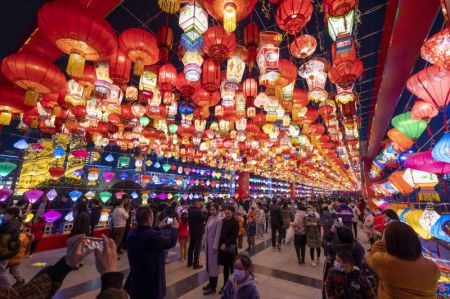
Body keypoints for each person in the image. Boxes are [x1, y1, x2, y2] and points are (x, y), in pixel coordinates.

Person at [367, 221, 439, 298]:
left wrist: (381, 240)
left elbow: (372, 256)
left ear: (390, 241)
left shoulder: (385, 262)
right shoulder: (433, 267)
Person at [125, 206, 178, 299]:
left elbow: (145, 233)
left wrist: (158, 227)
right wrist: (174, 228)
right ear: (149, 219)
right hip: (150, 285)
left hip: (135, 282)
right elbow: (171, 242)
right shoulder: (153, 237)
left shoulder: (131, 234)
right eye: (152, 216)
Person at [202, 203, 223, 295]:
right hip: (207, 245)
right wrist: (203, 242)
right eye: (211, 210)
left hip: (213, 246)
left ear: (217, 210)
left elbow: (218, 234)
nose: (212, 211)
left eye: (214, 209)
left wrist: (215, 247)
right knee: (209, 265)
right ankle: (210, 283)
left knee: (213, 266)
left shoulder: (219, 220)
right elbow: (205, 231)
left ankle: (213, 287)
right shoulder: (210, 218)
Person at [218, 205, 239, 294]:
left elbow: (234, 235)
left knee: (232, 268)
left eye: (229, 211)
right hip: (222, 248)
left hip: (230, 248)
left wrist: (225, 244)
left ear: (232, 212)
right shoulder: (222, 221)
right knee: (225, 268)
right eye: (225, 211)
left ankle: (234, 286)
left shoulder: (235, 222)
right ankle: (225, 284)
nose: (227, 213)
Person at [0, 207, 21, 287]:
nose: (4, 215)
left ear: (11, 215)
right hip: (8, 250)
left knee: (0, 272)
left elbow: (3, 242)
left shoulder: (11, 226)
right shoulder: (12, 223)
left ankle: (8, 288)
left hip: (5, 251)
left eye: (6, 214)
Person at [187, 199, 208, 269]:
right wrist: (205, 213)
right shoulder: (198, 211)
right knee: (197, 248)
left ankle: (189, 262)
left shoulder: (189, 210)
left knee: (191, 247)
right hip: (198, 232)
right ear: (196, 203)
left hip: (191, 231)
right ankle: (196, 264)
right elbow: (204, 218)